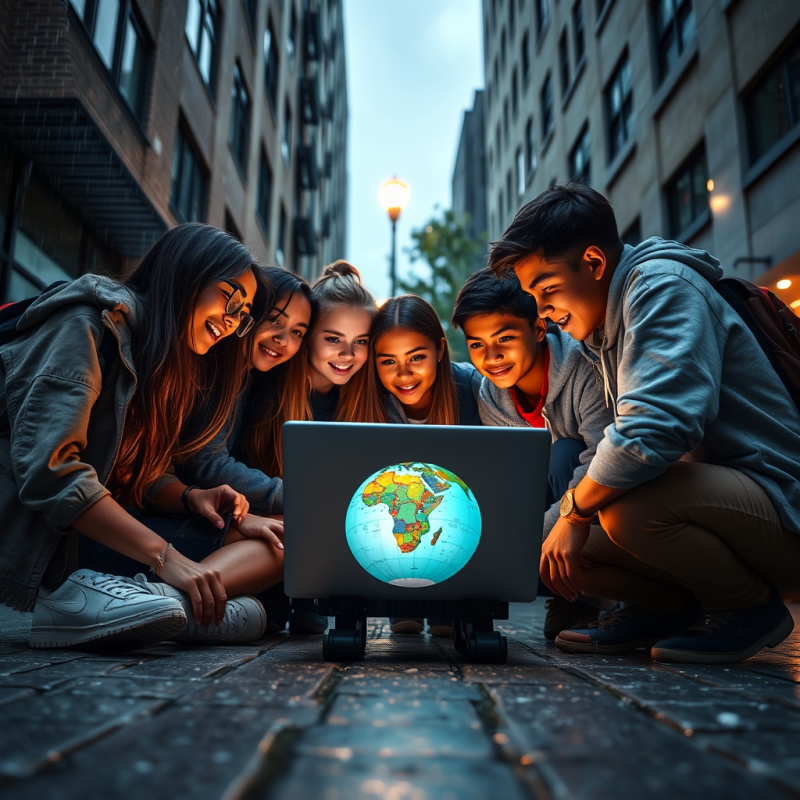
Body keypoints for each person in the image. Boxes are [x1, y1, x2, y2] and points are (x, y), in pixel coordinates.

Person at [489, 182, 800, 664]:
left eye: (547, 289)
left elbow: (656, 427)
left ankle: (748, 609)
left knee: (623, 511)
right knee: (545, 549)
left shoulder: (661, 286)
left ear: (593, 263)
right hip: (723, 509)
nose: (543, 311)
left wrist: (573, 511)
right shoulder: (605, 327)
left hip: (782, 506)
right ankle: (666, 607)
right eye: (534, 296)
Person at [0, 223, 283, 650]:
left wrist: (190, 497)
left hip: (106, 536)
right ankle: (147, 607)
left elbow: (141, 475)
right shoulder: (86, 323)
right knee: (251, 594)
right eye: (230, 297)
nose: (232, 321)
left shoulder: (165, 359)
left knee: (282, 537)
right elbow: (52, 473)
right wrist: (167, 558)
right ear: (187, 274)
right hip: (52, 544)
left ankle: (162, 607)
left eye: (243, 315)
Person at [451, 268, 616, 639]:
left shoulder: (583, 366)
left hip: (604, 504)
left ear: (539, 329)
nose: (491, 357)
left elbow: (601, 458)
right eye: (477, 344)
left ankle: (592, 599)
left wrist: (520, 543)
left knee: (565, 454)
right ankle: (563, 594)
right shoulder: (491, 397)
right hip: (546, 515)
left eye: (505, 338)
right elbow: (508, 479)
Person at [180, 265, 319, 634]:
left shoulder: (254, 382)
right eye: (274, 320)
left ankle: (178, 605)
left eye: (297, 333)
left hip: (204, 512)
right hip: (175, 509)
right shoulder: (218, 368)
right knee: (297, 530)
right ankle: (168, 604)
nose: (282, 339)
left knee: (294, 533)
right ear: (248, 313)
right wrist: (291, 497)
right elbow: (204, 463)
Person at [363, 294, 481, 635]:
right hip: (398, 533)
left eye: (417, 357)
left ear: (440, 350)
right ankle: (402, 600)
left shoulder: (472, 388)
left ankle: (447, 602)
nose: (404, 374)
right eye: (388, 361)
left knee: (446, 626)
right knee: (406, 624)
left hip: (457, 522)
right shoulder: (372, 405)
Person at [305, 260, 376, 422]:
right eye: (334, 339)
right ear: (307, 334)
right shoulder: (270, 391)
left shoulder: (365, 398)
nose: (348, 354)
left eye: (360, 341)